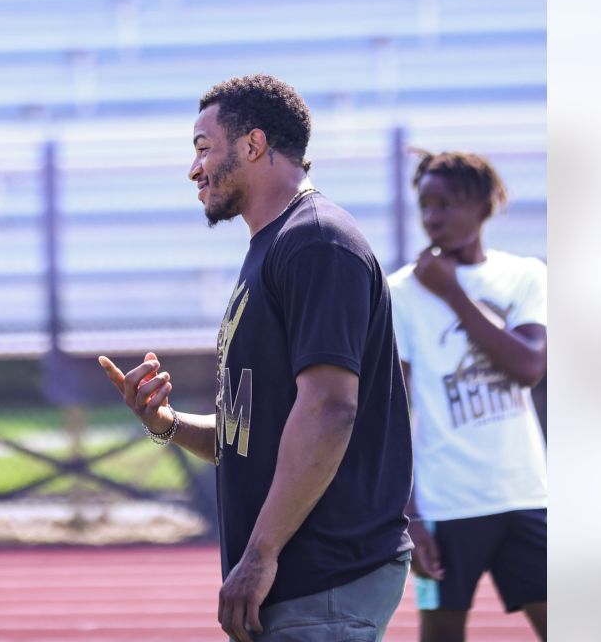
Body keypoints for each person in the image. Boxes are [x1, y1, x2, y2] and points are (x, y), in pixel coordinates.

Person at [99, 74, 413, 641]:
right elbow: (256, 433)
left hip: (323, 577)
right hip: (303, 583)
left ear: (253, 145)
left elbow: (328, 411)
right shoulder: (277, 244)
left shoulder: (316, 241)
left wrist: (261, 554)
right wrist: (166, 426)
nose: (193, 169)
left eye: (202, 148)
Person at [387, 150, 547, 641]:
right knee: (440, 636)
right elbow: (391, 415)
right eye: (425, 205)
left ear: (483, 205)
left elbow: (528, 367)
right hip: (444, 509)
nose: (432, 218)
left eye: (447, 204)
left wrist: (454, 293)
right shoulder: (401, 293)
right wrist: (409, 515)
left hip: (526, 498)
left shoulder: (524, 276)